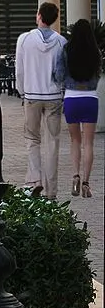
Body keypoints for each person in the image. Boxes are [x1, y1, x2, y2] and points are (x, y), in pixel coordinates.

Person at [16, 1, 66, 199]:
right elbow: (62, 73)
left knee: (32, 139)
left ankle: (35, 180)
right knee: (52, 143)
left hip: (32, 96)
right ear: (54, 19)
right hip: (54, 96)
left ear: (38, 16)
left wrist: (22, 91)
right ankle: (51, 191)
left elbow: (19, 70)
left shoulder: (24, 40)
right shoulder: (62, 42)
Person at [58, 17, 100, 199]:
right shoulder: (95, 52)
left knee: (75, 141)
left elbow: (59, 74)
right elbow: (98, 75)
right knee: (89, 143)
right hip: (90, 98)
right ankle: (86, 184)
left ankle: (75, 176)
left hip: (71, 98)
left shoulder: (66, 50)